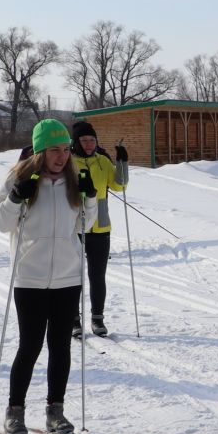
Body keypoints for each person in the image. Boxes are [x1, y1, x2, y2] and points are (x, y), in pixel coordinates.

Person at [0, 119, 98, 434]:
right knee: (30, 345)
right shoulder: (21, 177)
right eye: (55, 150)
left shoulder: (73, 178)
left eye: (66, 149)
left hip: (68, 276)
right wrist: (15, 197)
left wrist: (90, 196)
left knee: (60, 346)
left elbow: (84, 225)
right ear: (40, 151)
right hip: (30, 278)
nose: (62, 156)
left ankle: (56, 411)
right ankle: (15, 412)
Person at [68, 121, 129, 338]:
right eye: (84, 140)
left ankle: (97, 319)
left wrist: (122, 162)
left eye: (92, 140)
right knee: (73, 276)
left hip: (101, 227)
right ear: (76, 142)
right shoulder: (68, 162)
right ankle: (74, 320)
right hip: (73, 227)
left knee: (97, 276)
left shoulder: (103, 161)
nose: (88, 144)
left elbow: (119, 186)